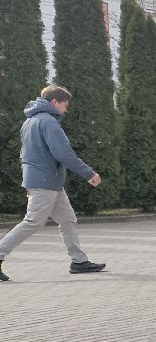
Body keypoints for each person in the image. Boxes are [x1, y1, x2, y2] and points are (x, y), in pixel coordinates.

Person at [0, 85, 105, 282]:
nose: (67, 107)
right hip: (44, 181)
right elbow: (63, 153)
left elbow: (25, 154)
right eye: (65, 102)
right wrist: (89, 173)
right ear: (54, 102)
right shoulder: (48, 122)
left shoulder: (29, 121)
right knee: (33, 221)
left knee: (68, 220)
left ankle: (79, 261)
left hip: (48, 180)